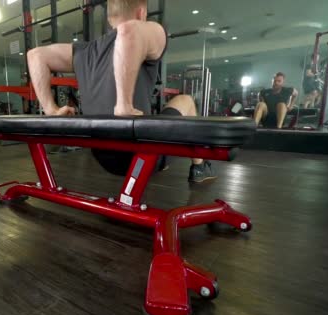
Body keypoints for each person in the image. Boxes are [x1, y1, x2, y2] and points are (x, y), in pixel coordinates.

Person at [26, 0, 215, 183]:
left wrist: (51, 110)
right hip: (140, 154)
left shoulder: (85, 51)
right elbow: (128, 30)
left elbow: (35, 56)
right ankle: (199, 168)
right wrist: (124, 105)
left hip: (103, 159)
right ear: (141, 13)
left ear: (109, 19)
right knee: (186, 100)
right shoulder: (148, 29)